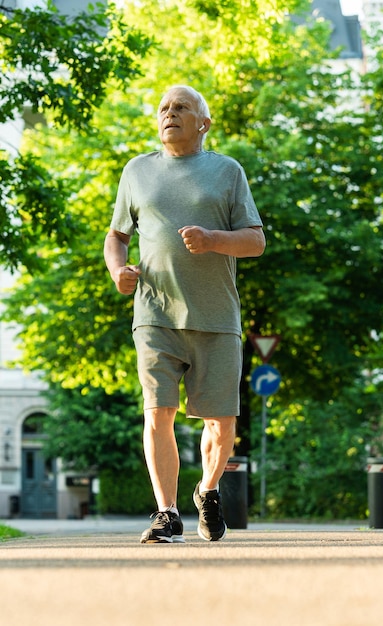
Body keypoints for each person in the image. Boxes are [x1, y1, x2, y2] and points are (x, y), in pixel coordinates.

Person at [104, 85, 265, 543]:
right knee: (158, 412)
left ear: (203, 123)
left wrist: (214, 239)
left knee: (222, 423)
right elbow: (116, 236)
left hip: (216, 315)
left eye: (181, 108)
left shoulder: (226, 171)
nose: (169, 114)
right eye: (164, 108)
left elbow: (255, 241)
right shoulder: (137, 171)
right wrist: (120, 270)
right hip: (154, 313)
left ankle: (208, 491)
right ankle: (166, 511)